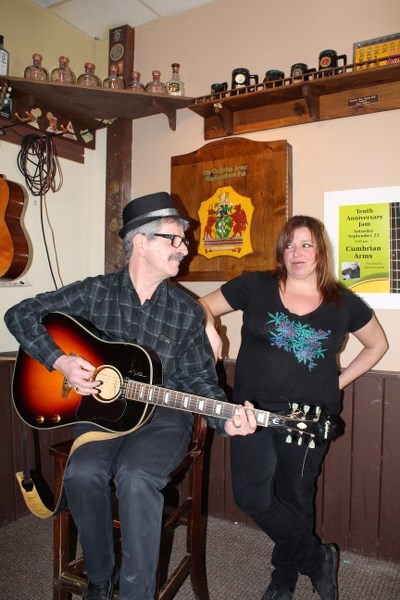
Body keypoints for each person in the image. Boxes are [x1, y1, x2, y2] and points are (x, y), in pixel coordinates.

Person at [4, 191, 257, 600]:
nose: (184, 247)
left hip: (163, 416)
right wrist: (60, 361)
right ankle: (101, 579)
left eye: (183, 240)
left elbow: (200, 382)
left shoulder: (187, 311)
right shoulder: (95, 292)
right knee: (83, 475)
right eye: (173, 239)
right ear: (141, 242)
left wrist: (224, 418)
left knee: (136, 479)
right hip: (103, 418)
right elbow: (19, 314)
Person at [199, 215, 388, 600]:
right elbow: (203, 304)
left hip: (309, 417)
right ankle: (317, 559)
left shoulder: (343, 302)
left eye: (306, 244)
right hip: (250, 411)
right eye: (289, 244)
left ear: (320, 250)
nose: (296, 252)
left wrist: (337, 382)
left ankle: (283, 577)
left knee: (295, 496)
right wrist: (208, 328)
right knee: (251, 496)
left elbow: (378, 345)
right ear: (280, 251)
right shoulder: (255, 286)